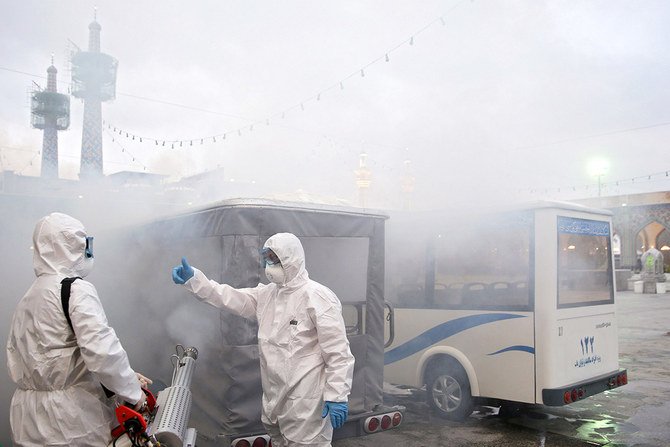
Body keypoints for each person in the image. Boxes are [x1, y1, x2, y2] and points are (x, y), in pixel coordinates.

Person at [172, 232, 354, 447]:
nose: (269, 265)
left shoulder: (318, 297)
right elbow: (227, 296)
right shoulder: (267, 295)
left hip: (307, 401)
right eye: (267, 258)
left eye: (275, 259)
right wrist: (194, 279)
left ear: (291, 259)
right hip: (274, 399)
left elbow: (338, 352)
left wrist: (337, 395)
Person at [6, 212, 150, 447]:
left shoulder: (30, 296)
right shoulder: (75, 289)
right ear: (72, 245)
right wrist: (133, 392)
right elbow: (102, 352)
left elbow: (53, 357)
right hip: (70, 419)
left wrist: (126, 377)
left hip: (27, 415)